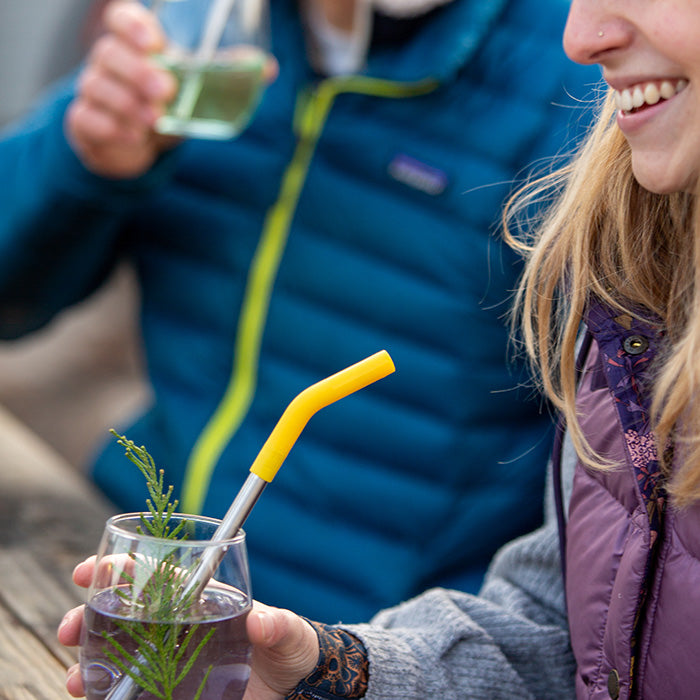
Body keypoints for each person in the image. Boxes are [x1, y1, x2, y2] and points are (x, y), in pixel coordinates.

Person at [58, 0, 700, 697]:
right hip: (157, 577)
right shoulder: (208, 26)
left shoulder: (573, 115)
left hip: (383, 601)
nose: (584, 38)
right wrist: (83, 161)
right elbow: (583, 634)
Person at [0, 0, 598, 623]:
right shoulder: (203, 26)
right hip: (142, 568)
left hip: (372, 634)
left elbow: (612, 479)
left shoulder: (575, 79)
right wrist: (84, 158)